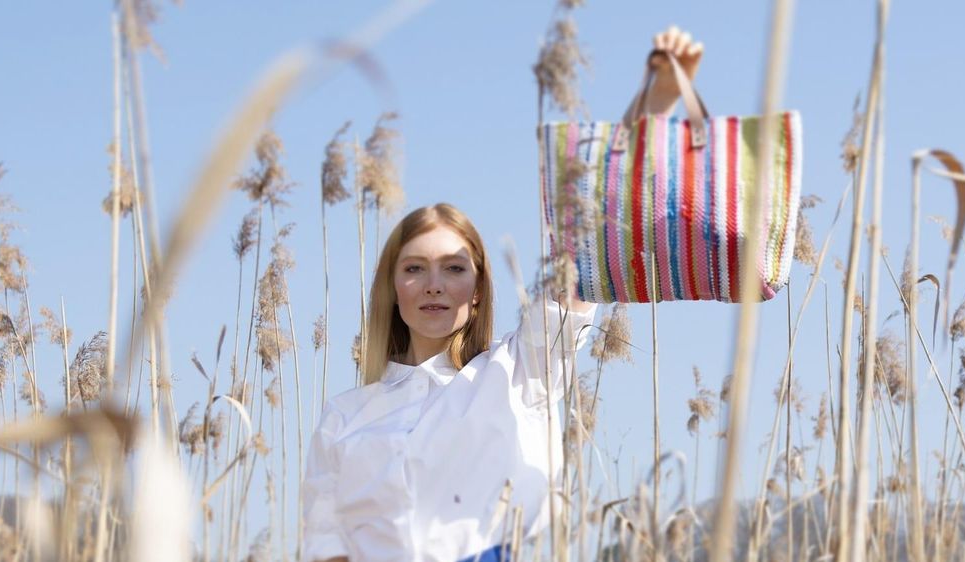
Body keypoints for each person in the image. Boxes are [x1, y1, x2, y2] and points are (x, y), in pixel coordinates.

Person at [301, 26, 705, 562]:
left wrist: (650, 107)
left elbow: (585, 238)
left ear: (478, 286)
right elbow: (325, 548)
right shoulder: (343, 417)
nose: (435, 284)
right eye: (415, 268)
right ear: (391, 287)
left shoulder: (517, 374)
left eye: (454, 267)